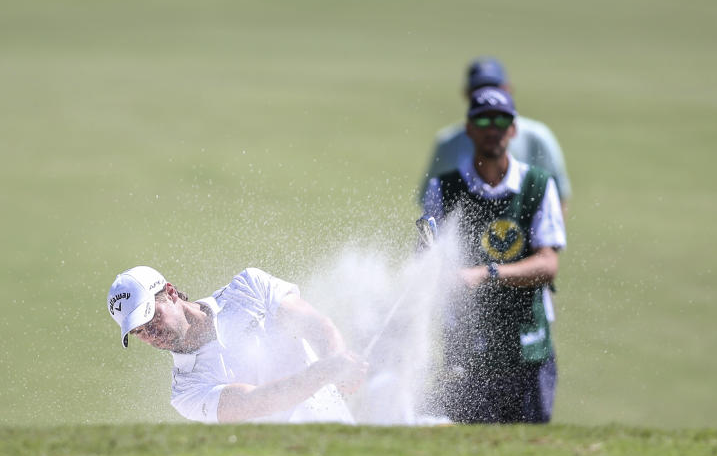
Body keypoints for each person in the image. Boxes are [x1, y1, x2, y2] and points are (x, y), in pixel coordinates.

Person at [422, 86, 566, 423]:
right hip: (466, 351)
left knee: (529, 450)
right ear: (469, 128)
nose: (493, 128)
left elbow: (548, 263)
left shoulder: (538, 185)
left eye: (501, 119)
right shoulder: (443, 188)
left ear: (513, 128)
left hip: (527, 349)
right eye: (483, 119)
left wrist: (486, 273)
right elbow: (425, 258)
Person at [107, 265, 364, 424]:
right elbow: (259, 401)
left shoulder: (249, 288)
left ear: (171, 293)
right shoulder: (186, 391)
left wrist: (339, 361)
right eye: (138, 331)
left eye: (152, 317)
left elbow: (317, 325)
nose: (150, 334)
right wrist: (324, 372)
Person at [418, 57, 572, 214]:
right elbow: (431, 205)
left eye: (494, 87)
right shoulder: (447, 142)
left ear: (508, 89)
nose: (488, 95)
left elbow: (559, 198)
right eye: (478, 89)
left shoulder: (538, 136)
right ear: (466, 94)